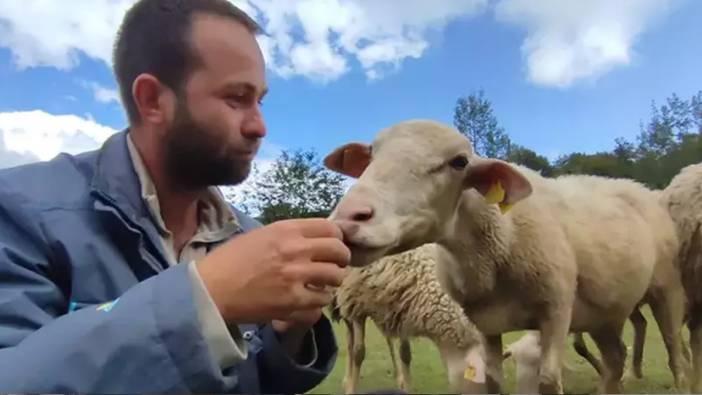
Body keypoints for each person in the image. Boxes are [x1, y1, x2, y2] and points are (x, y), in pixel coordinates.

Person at [0, 0, 350, 393]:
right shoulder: (18, 209)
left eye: (260, 100)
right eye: (236, 98)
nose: (259, 126)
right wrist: (207, 295)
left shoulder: (248, 236)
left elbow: (258, 382)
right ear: (152, 100)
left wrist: (289, 333)